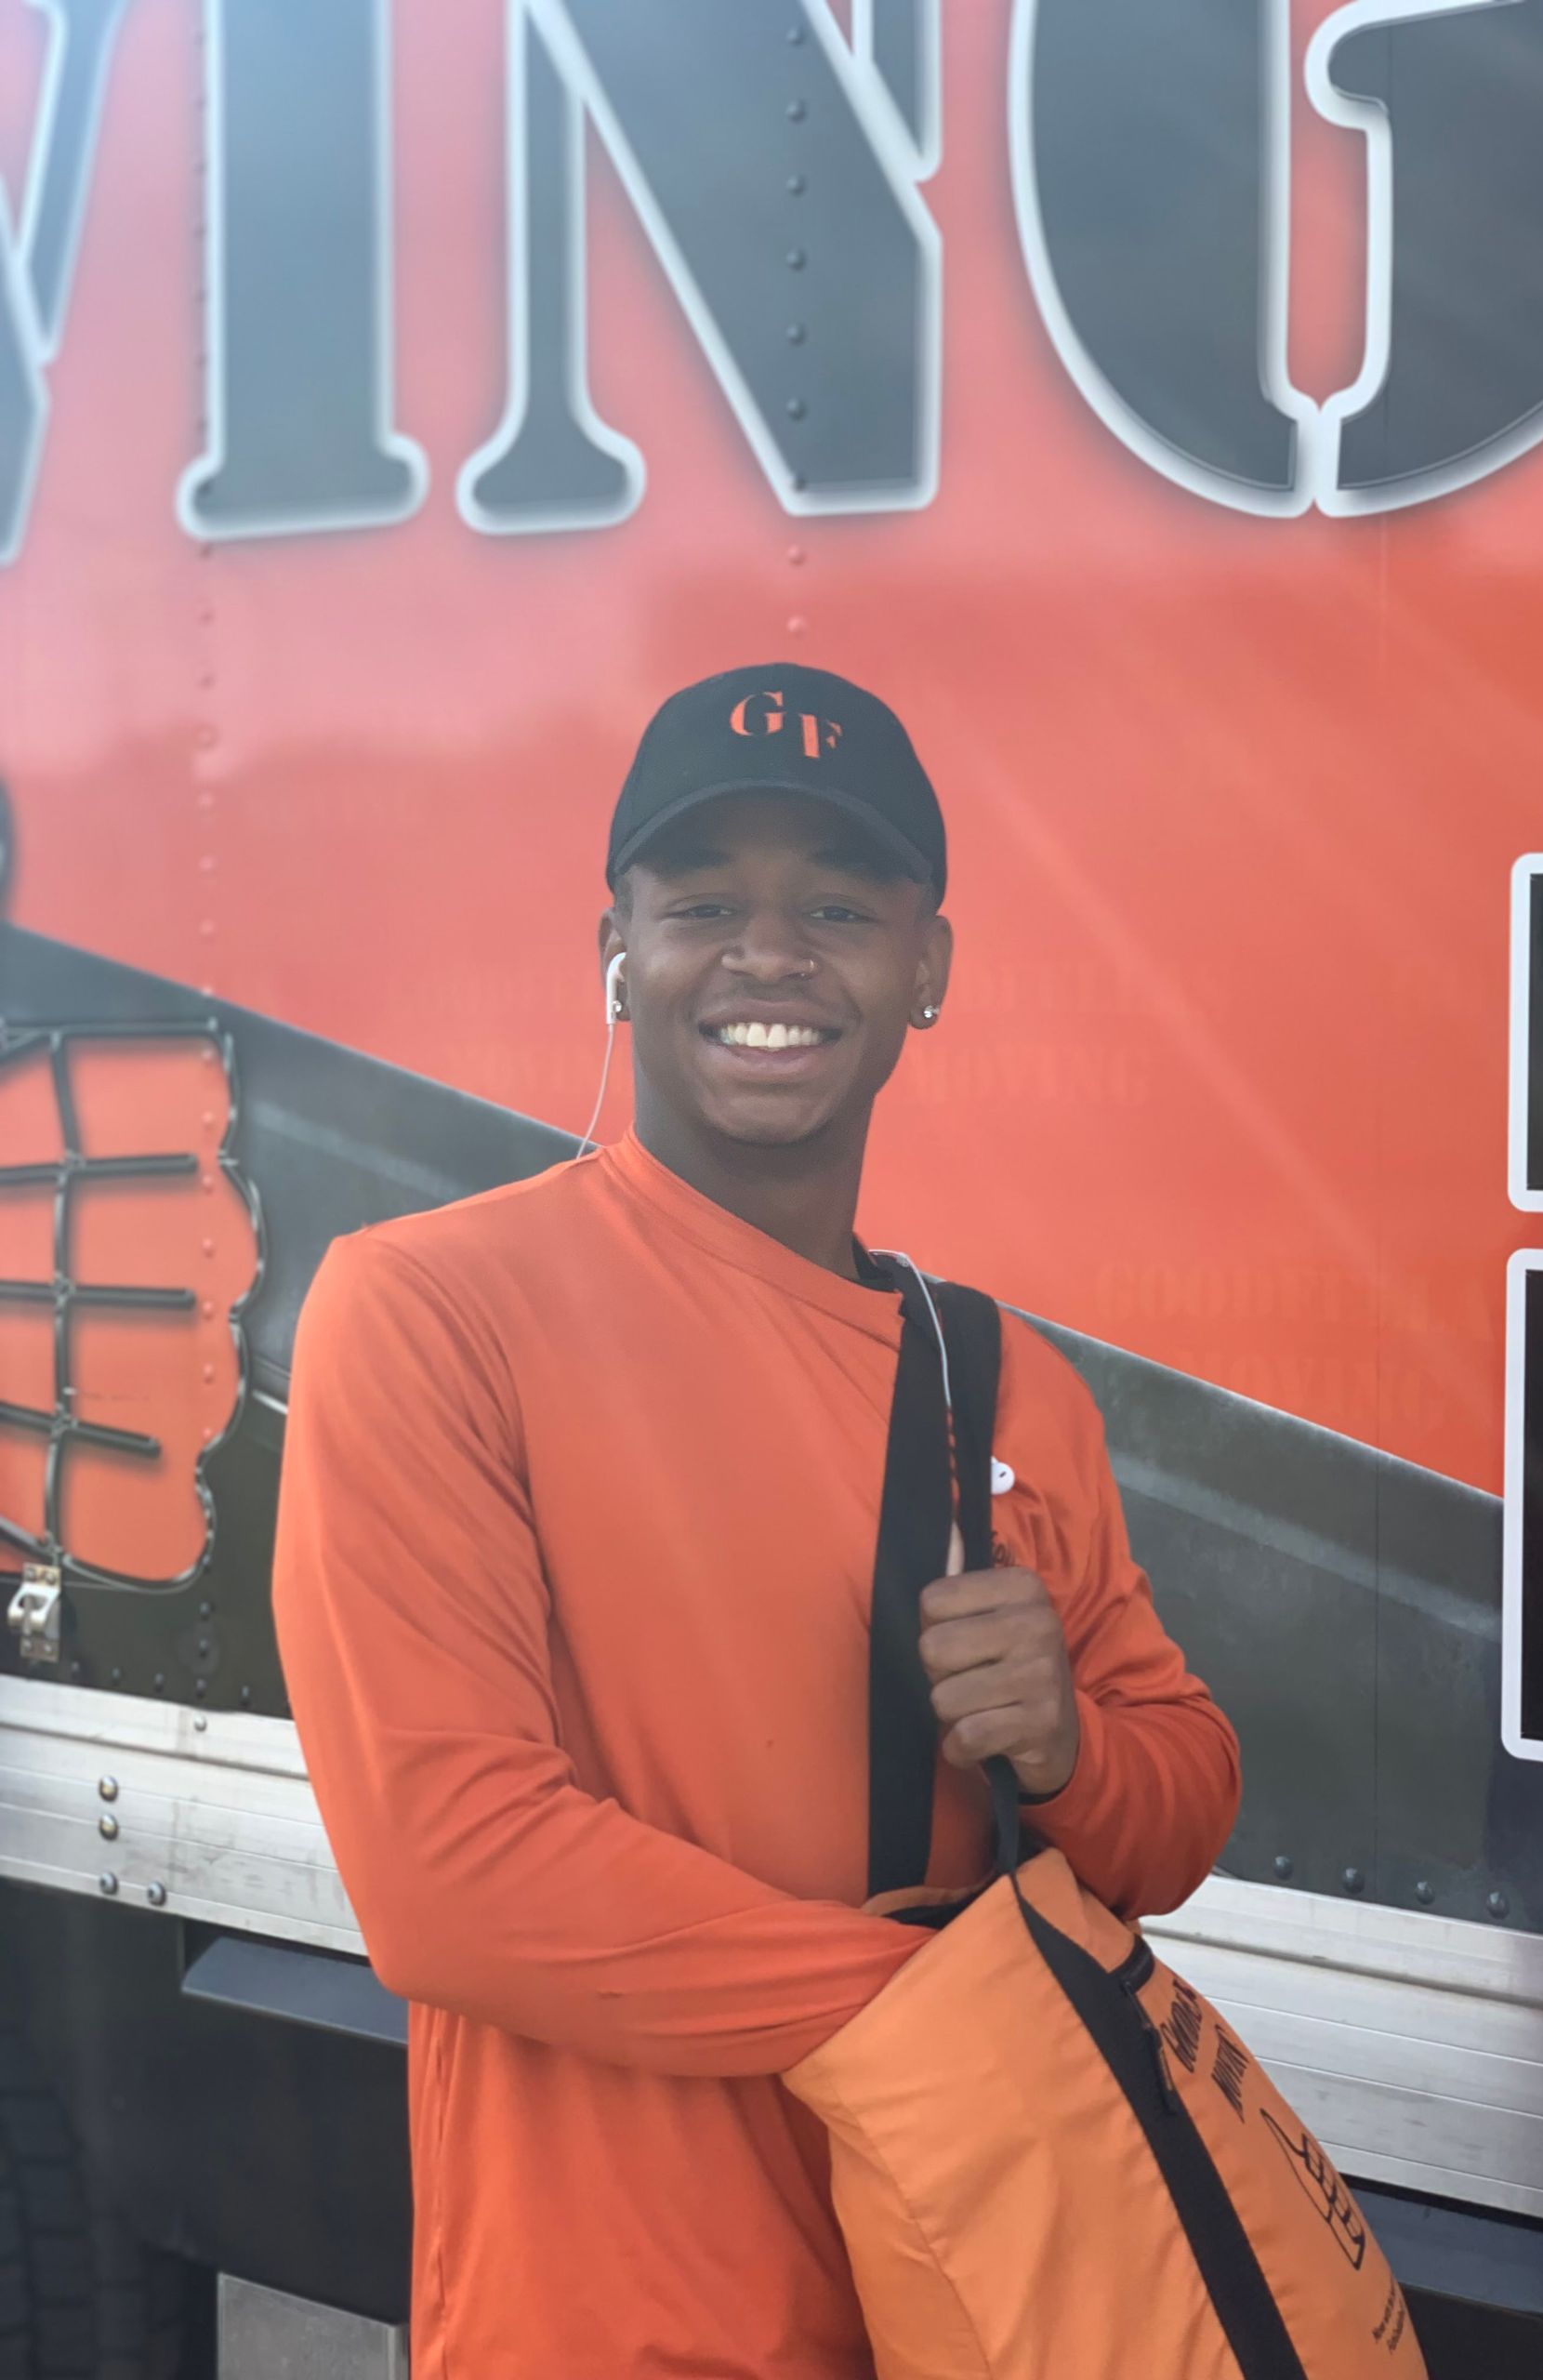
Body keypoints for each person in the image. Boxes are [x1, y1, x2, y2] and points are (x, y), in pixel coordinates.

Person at [270, 662, 1242, 2380]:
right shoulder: (430, 1310)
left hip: (980, 2319)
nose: (771, 956)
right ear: (615, 955)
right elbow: (454, 1882)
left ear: (924, 969)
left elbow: (1175, 1815)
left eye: (839, 907)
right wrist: (958, 2033)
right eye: (705, 902)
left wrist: (1070, 1749)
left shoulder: (1000, 1382)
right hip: (601, 2335)